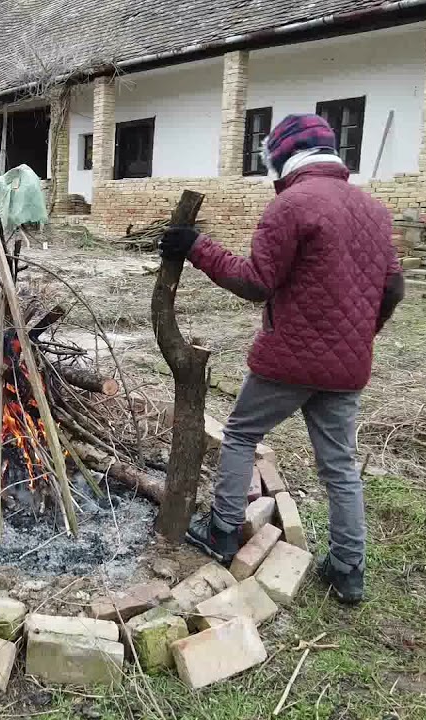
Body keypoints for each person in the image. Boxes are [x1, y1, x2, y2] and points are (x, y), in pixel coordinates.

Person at [158, 113, 405, 604]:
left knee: (242, 434)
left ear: (285, 159)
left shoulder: (292, 204)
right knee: (339, 465)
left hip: (288, 361)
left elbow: (256, 282)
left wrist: (196, 247)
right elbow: (394, 288)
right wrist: (359, 335)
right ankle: (348, 571)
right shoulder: (375, 210)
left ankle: (223, 532)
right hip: (348, 368)